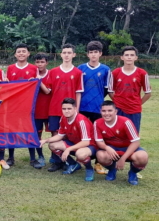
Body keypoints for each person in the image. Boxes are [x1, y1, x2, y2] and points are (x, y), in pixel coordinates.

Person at [42, 43, 84, 172]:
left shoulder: (78, 72)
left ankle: (68, 161)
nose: (66, 55)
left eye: (69, 53)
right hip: (55, 109)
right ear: (61, 54)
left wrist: (76, 109)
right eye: (64, 52)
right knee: (55, 133)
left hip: (70, 111)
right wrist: (38, 81)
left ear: (73, 55)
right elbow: (47, 90)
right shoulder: (53, 71)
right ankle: (56, 161)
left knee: (67, 135)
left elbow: (78, 92)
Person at [39, 98, 97, 181]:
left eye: (69, 108)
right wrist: (46, 140)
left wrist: (69, 149)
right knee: (52, 145)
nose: (66, 111)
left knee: (80, 154)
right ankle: (73, 164)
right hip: (75, 144)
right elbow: (60, 135)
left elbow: (86, 142)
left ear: (75, 108)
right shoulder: (63, 118)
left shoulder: (81, 121)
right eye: (64, 109)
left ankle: (89, 169)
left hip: (90, 147)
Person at [94, 101, 149, 185]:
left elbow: (136, 142)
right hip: (113, 150)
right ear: (100, 111)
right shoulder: (97, 123)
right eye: (104, 111)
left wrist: (123, 158)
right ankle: (112, 170)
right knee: (100, 155)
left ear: (115, 111)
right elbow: (99, 141)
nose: (106, 113)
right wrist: (107, 147)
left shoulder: (126, 122)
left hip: (128, 148)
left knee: (142, 157)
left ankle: (133, 173)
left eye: (110, 111)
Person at [3, 43, 39, 169]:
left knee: (29, 130)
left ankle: (33, 159)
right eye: (19, 51)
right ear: (15, 54)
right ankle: (10, 157)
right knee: (11, 131)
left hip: (28, 106)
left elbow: (37, 85)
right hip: (13, 106)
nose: (21, 53)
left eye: (24, 51)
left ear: (28, 53)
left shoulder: (34, 68)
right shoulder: (11, 68)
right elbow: (7, 86)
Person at [77, 41, 111, 175]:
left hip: (97, 108)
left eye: (95, 52)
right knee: (84, 135)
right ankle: (83, 159)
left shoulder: (105, 69)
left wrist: (98, 99)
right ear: (87, 54)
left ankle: (98, 162)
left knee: (98, 136)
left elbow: (107, 89)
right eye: (91, 52)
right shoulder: (81, 68)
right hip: (83, 107)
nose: (93, 55)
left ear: (100, 54)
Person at [108, 46, 152, 132]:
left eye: (132, 55)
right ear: (122, 57)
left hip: (134, 109)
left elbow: (148, 93)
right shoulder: (115, 72)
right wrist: (117, 101)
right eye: (126, 55)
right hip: (118, 109)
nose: (129, 57)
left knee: (133, 133)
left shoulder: (142, 73)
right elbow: (110, 91)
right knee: (117, 133)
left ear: (136, 57)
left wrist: (138, 103)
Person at [30, 53, 51, 169]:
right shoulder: (32, 75)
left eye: (42, 62)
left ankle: (55, 157)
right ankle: (40, 156)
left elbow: (47, 91)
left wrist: (39, 80)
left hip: (49, 110)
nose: (40, 64)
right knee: (37, 135)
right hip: (36, 111)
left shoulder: (50, 74)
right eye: (37, 62)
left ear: (46, 63)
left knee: (55, 134)